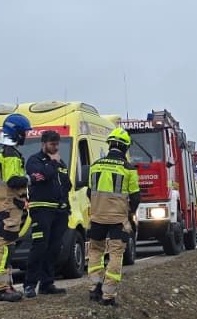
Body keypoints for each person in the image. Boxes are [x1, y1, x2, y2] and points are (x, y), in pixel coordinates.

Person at [85, 127, 141, 305]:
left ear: (109, 145)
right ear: (125, 148)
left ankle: (94, 288)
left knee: (95, 251)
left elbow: (89, 192)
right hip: (118, 219)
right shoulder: (129, 169)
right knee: (116, 254)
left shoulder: (94, 166)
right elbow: (135, 197)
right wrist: (130, 213)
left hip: (97, 217)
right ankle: (108, 295)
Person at [23, 129, 72, 298]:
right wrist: (51, 164)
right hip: (41, 209)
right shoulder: (34, 161)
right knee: (40, 246)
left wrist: (67, 206)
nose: (55, 147)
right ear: (43, 144)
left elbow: (67, 185)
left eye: (57, 144)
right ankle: (29, 285)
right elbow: (41, 176)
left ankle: (47, 283)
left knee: (54, 248)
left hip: (59, 211)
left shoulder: (61, 162)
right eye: (52, 144)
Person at [0, 113, 32, 302]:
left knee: (7, 246)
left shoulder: (2, 152)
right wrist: (31, 178)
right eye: (24, 132)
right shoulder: (11, 155)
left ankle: (6, 284)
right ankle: (1, 288)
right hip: (9, 206)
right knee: (6, 246)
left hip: (4, 204)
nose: (26, 136)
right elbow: (13, 181)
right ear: (15, 132)